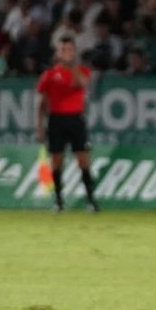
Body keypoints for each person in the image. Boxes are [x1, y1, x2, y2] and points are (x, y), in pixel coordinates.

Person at [34, 35, 100, 212]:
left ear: (75, 52)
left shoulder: (82, 71)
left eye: (69, 50)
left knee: (83, 160)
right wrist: (39, 126)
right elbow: (42, 103)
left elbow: (82, 84)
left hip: (76, 119)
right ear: (57, 52)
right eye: (63, 50)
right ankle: (58, 200)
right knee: (57, 160)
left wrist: (72, 66)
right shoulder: (49, 75)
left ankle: (91, 200)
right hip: (56, 120)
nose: (66, 53)